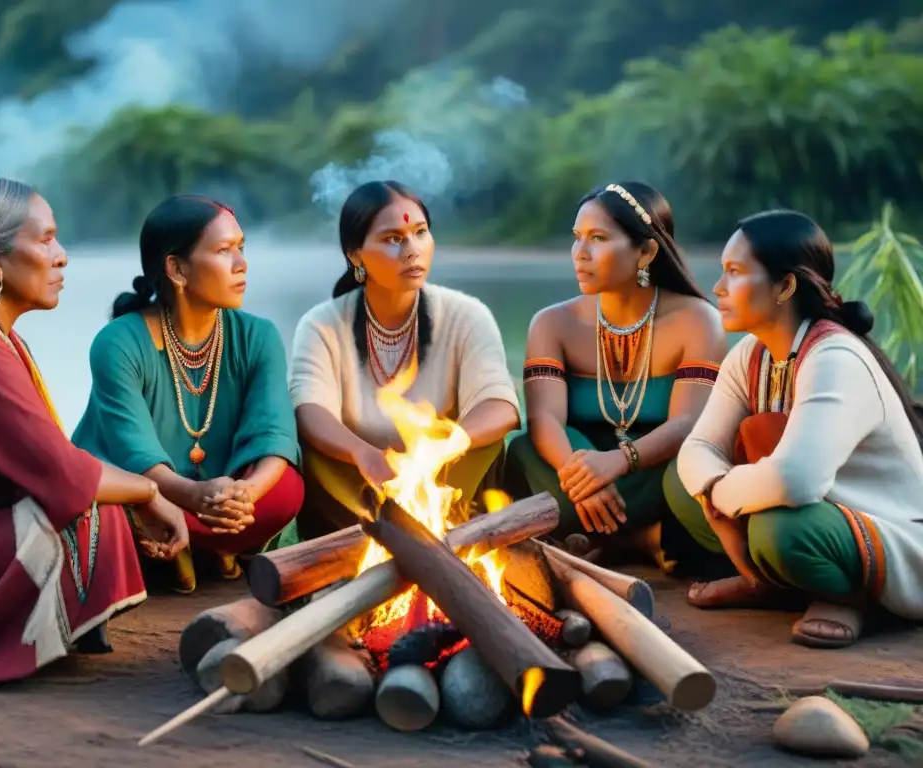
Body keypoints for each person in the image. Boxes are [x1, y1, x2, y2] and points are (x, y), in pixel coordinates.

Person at [0, 176, 189, 690]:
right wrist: (149, 491)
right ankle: (23, 635)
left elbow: (47, 461)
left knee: (95, 494)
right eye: (46, 239)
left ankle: (63, 624)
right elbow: (61, 474)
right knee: (90, 510)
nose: (61, 257)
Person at [674, 209, 923, 648]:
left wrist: (717, 494)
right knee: (680, 488)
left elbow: (796, 481)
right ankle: (774, 582)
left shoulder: (835, 357)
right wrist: (712, 491)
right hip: (800, 505)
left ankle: (848, 597)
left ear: (785, 286)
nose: (718, 288)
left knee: (779, 530)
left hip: (885, 531)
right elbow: (698, 447)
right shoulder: (751, 354)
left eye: (734, 272)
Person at [72, 195, 302, 594]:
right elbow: (135, 457)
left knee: (285, 491)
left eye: (241, 247)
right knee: (112, 509)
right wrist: (195, 495)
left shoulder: (258, 336)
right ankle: (211, 543)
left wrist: (247, 493)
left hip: (226, 500)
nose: (242, 263)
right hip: (146, 495)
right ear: (176, 269)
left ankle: (193, 540)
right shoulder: (118, 343)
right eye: (224, 250)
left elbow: (274, 434)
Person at [504, 182, 726, 568]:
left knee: (689, 468)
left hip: (651, 475)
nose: (580, 253)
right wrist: (583, 478)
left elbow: (688, 422)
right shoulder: (552, 323)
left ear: (645, 251)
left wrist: (620, 461)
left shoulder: (697, 320)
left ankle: (619, 541)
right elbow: (544, 419)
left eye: (598, 238)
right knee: (524, 450)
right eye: (576, 238)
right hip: (574, 477)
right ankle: (643, 540)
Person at [290, 180, 520, 538]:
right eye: (393, 239)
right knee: (309, 449)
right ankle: (361, 533)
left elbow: (501, 406)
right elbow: (309, 410)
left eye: (420, 232)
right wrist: (363, 453)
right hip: (359, 481)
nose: (413, 250)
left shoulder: (468, 314)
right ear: (355, 255)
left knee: (488, 441)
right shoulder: (321, 324)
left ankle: (442, 523)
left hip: (443, 474)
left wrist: (444, 445)